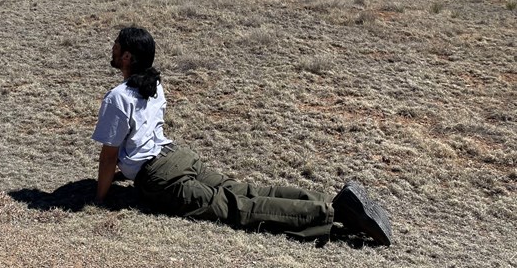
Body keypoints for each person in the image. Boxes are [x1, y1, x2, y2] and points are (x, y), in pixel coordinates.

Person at [91, 26, 392, 246]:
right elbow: (139, 135)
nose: (112, 50)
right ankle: (333, 200)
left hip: (159, 176)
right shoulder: (154, 84)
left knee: (237, 208)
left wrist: (100, 198)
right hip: (178, 157)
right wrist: (126, 169)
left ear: (127, 56)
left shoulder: (117, 97)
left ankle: (332, 212)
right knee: (244, 190)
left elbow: (109, 156)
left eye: (116, 46)